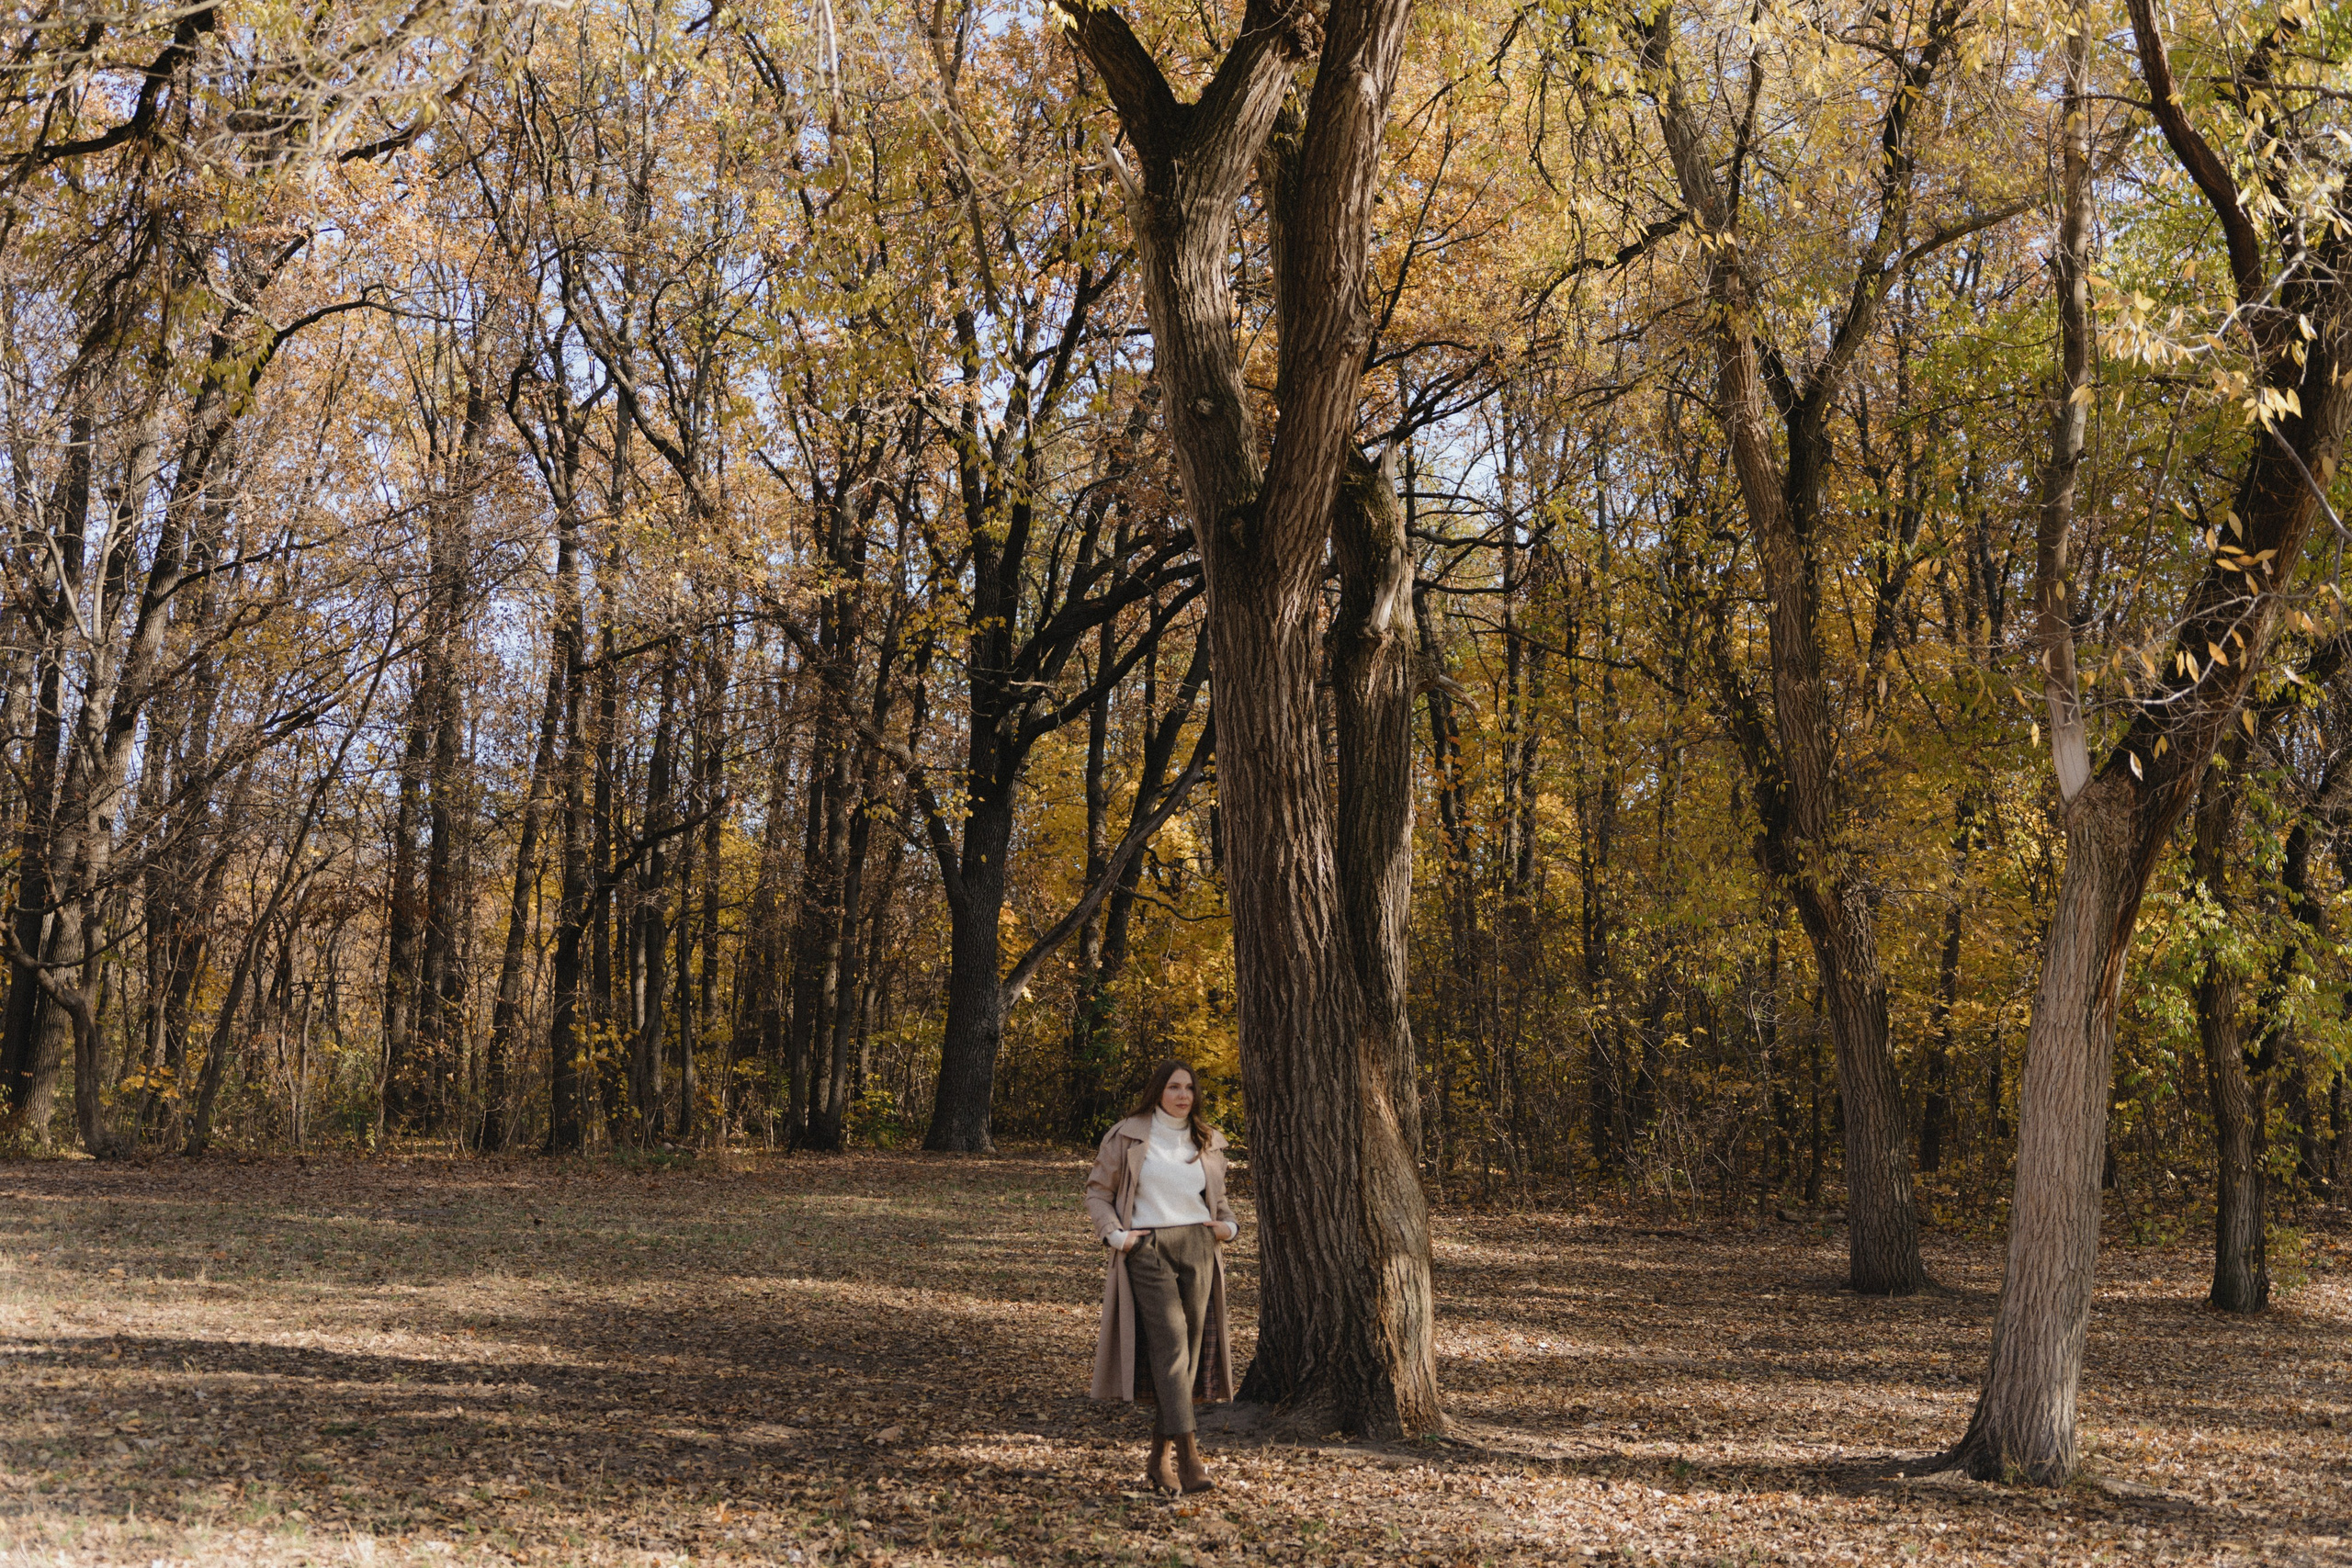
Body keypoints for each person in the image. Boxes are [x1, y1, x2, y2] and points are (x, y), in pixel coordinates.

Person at [1084, 1060, 1240, 1494]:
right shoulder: (1128, 1135)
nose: (1183, 1095)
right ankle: (1190, 1458)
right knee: (1172, 1344)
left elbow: (1220, 1200)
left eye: (1189, 1087)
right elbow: (1098, 1192)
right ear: (1158, 1091)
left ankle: (1157, 1459)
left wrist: (1229, 1228)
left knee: (1187, 1355)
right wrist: (1117, 1237)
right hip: (1148, 1250)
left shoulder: (1207, 1140)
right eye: (1173, 1087)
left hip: (1199, 1247)